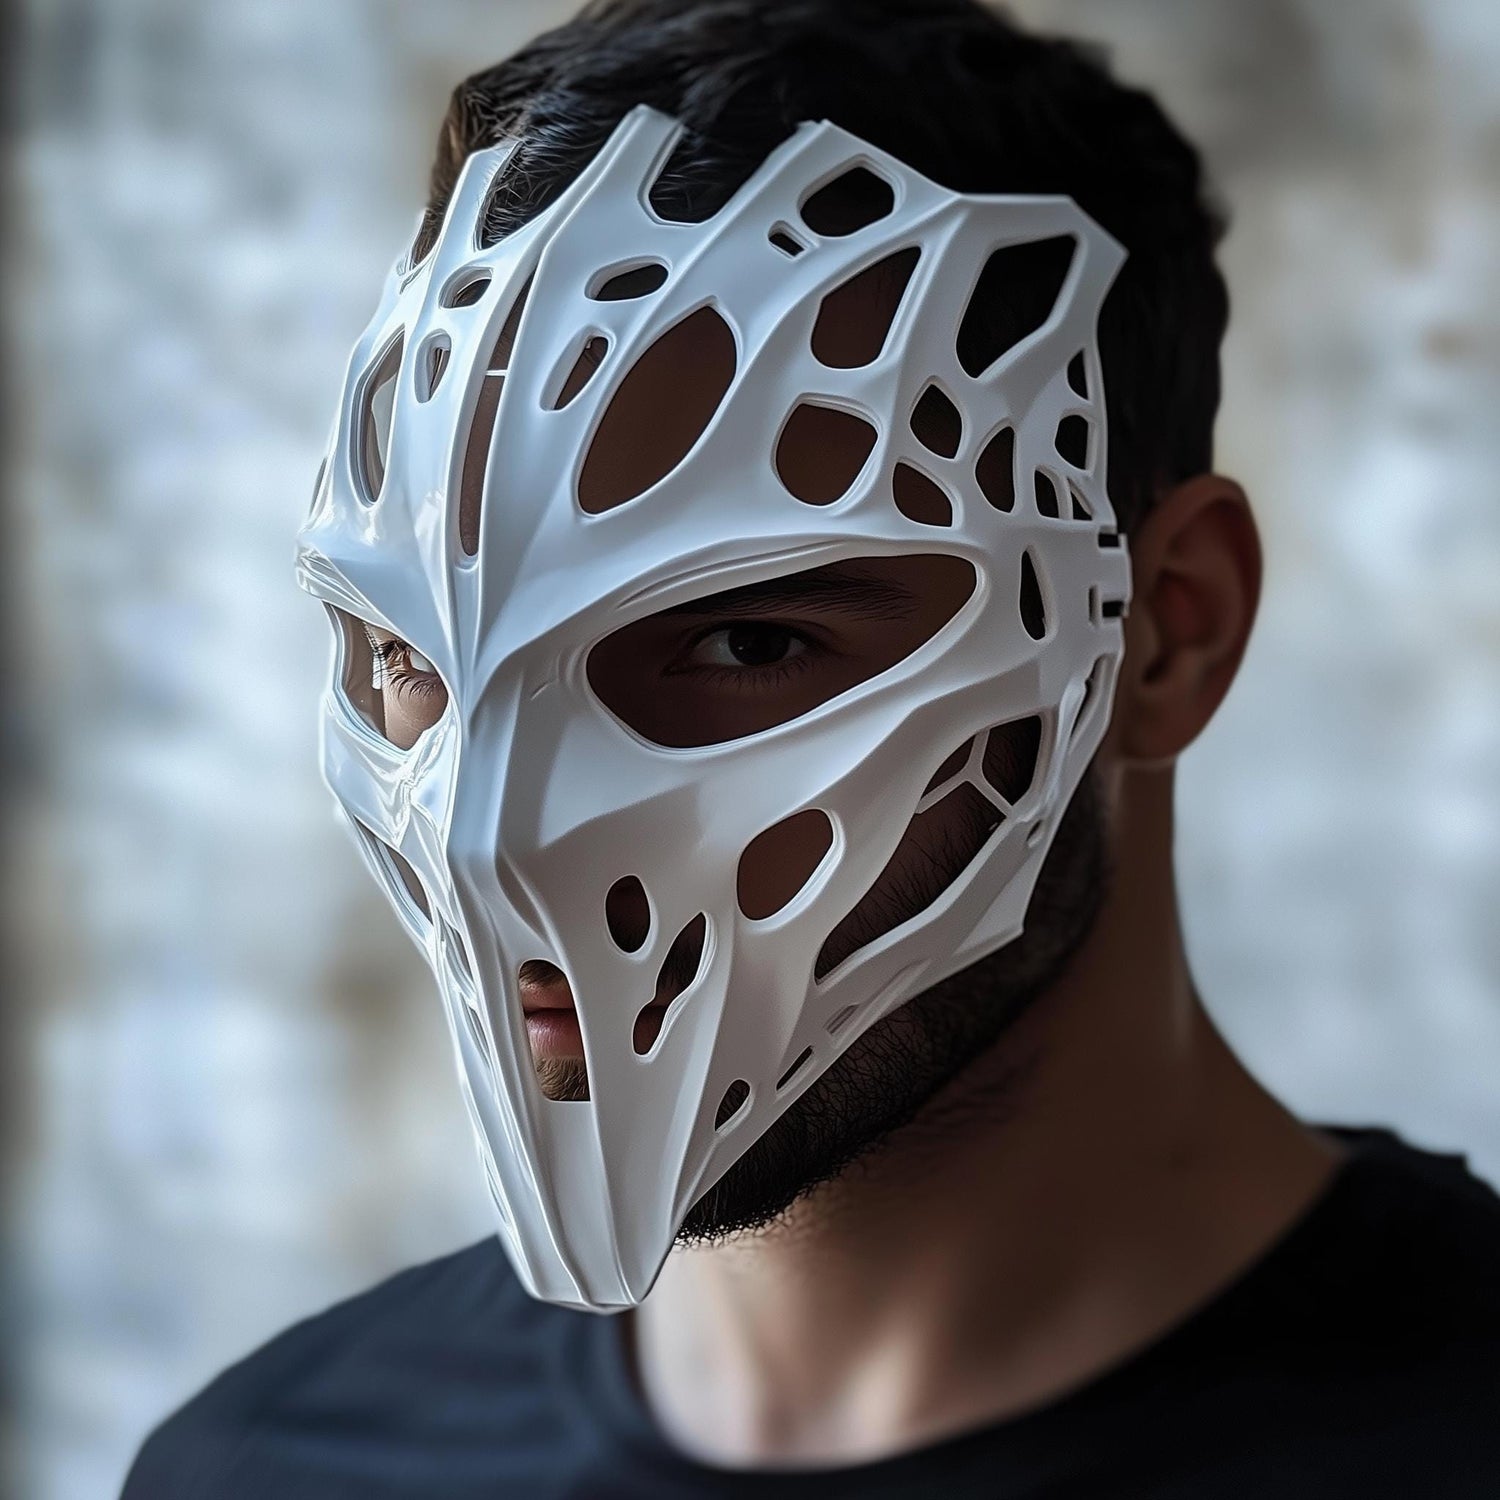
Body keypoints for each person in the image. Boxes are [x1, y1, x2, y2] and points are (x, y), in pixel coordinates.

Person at [123, 1, 1500, 1495]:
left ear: (1165, 628)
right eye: (412, 657)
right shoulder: (261, 1472)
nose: (490, 838)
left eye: (746, 644)